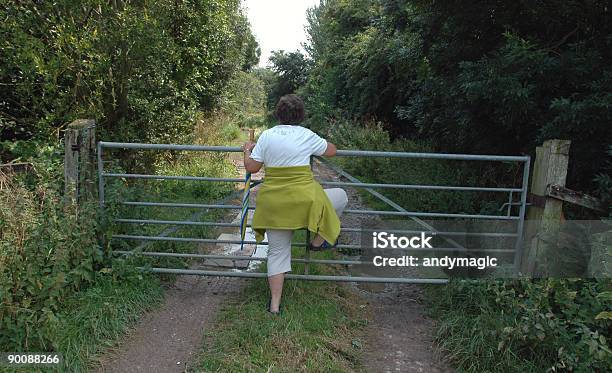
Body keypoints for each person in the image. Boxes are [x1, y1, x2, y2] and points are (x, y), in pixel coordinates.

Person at [241, 94, 348, 315]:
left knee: (277, 253)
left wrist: (246, 151)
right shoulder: (306, 135)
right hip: (304, 204)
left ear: (278, 114)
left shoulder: (267, 136)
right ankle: (319, 242)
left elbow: (251, 167)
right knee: (341, 196)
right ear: (301, 115)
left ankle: (274, 306)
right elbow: (332, 150)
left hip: (275, 205)